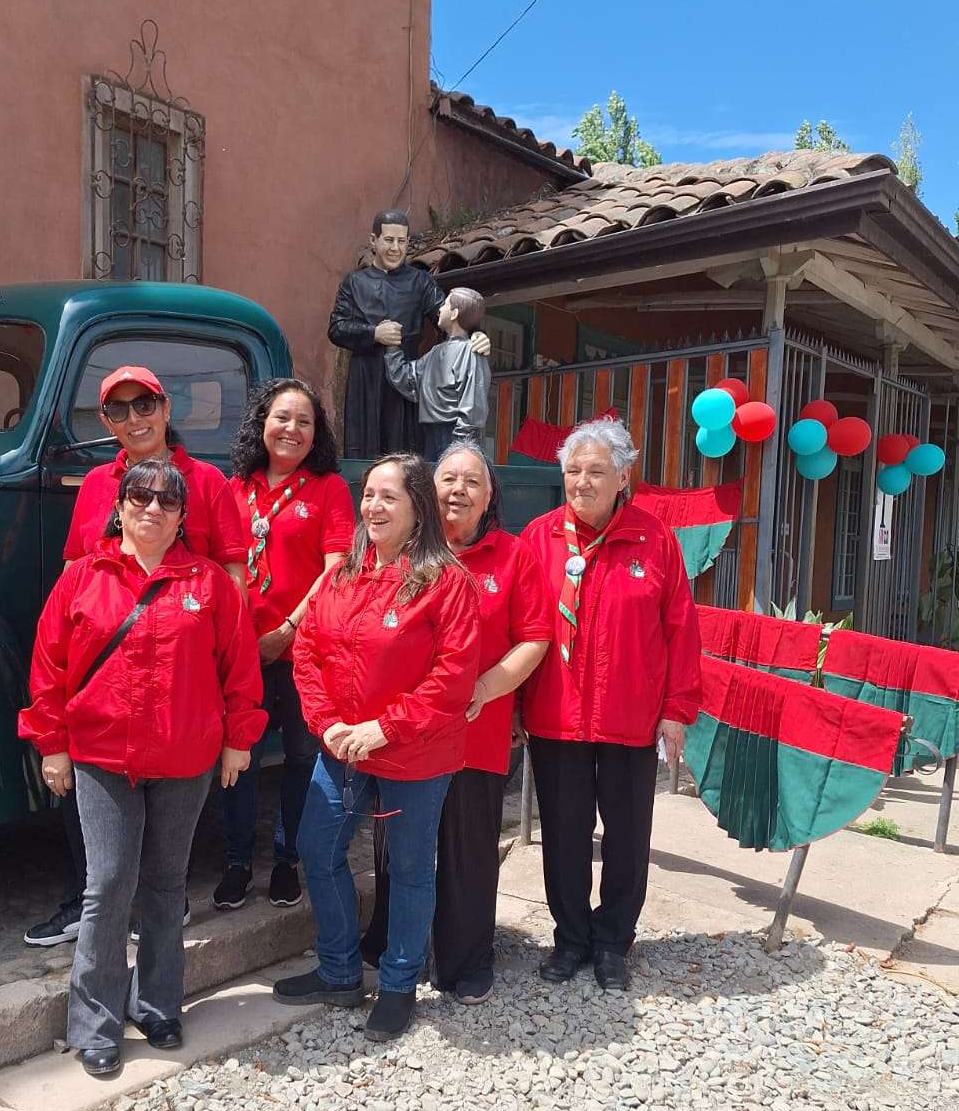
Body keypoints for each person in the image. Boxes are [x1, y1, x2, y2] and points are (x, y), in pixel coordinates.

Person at [19, 458, 266, 1076]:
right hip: (103, 756)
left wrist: (239, 739)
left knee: (165, 882)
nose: (152, 508)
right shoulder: (81, 579)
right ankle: (95, 1022)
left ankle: (157, 1003)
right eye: (140, 496)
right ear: (120, 505)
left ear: (183, 516)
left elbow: (239, 667)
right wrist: (51, 743)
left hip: (185, 755)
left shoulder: (209, 583)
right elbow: (48, 666)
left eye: (167, 500)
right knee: (106, 886)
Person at [23, 364, 247, 947]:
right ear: (106, 421)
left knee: (171, 815)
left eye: (143, 404)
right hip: (111, 668)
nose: (134, 419)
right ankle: (93, 905)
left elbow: (232, 572)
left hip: (183, 656)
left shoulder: (207, 482)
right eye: (118, 410)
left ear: (165, 408)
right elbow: (76, 566)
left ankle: (162, 913)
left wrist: (229, 671)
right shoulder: (99, 483)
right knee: (95, 808)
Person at [273, 453, 481, 1042]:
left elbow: (453, 677)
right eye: (368, 495)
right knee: (318, 850)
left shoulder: (447, 583)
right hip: (342, 747)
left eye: (389, 496)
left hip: (414, 752)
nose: (373, 506)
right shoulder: (344, 575)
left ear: (419, 507)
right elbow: (309, 648)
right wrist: (327, 722)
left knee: (411, 871)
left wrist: (384, 729)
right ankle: (340, 971)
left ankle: (396, 985)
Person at [362, 442, 551, 1000]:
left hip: (476, 728)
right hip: (403, 732)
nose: (458, 490)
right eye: (448, 479)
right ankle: (395, 946)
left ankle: (465, 961)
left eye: (473, 481)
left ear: (490, 495)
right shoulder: (402, 553)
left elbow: (535, 638)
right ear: (428, 490)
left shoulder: (512, 556)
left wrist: (486, 688)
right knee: (397, 843)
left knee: (468, 847)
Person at [520, 416, 702, 992]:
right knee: (565, 835)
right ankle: (571, 938)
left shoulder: (656, 540)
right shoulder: (540, 537)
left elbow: (681, 630)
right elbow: (517, 628)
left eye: (596, 471)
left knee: (626, 838)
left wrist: (676, 709)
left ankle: (613, 942)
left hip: (629, 719)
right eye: (573, 470)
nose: (582, 481)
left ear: (624, 476)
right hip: (556, 716)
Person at [214, 378, 354, 913]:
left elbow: (336, 566)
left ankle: (286, 861)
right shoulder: (235, 487)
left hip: (303, 653)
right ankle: (236, 863)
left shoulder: (328, 489)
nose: (292, 430)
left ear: (316, 434)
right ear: (262, 423)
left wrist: (288, 630)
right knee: (238, 757)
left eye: (304, 422)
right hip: (241, 654)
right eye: (282, 417)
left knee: (300, 758)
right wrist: (241, 638)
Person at [328, 209, 447, 458]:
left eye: (401, 241)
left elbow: (448, 318)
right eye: (389, 240)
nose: (396, 248)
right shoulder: (354, 283)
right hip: (365, 380)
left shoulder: (421, 282)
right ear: (374, 240)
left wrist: (473, 332)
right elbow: (337, 329)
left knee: (404, 455)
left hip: (406, 379)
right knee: (363, 452)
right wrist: (373, 333)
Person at [383, 288, 492, 463]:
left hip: (455, 435)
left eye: (445, 304)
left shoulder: (471, 351)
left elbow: (473, 399)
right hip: (429, 433)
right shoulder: (435, 352)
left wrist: (461, 444)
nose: (440, 309)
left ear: (455, 313)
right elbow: (408, 379)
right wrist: (392, 347)